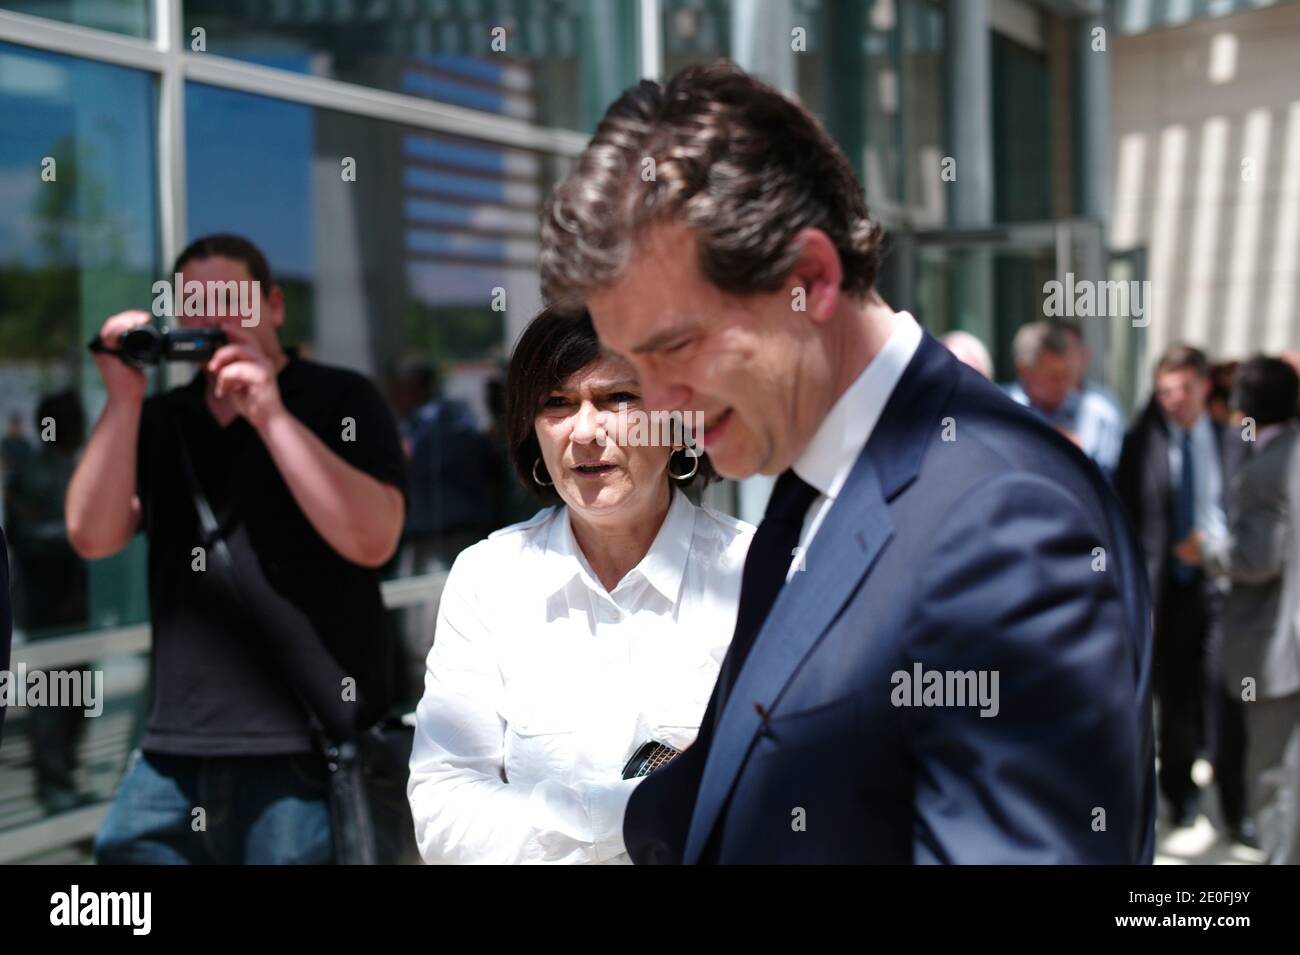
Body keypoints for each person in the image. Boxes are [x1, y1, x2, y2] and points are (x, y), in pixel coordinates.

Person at [540, 61, 1154, 863]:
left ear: (812, 279)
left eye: (676, 347)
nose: (657, 408)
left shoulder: (1007, 520)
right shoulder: (810, 491)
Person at [66, 234, 408, 864]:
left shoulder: (340, 398)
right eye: (195, 303)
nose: (214, 318)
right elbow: (93, 535)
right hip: (173, 753)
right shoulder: (162, 416)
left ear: (274, 307)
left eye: (232, 299)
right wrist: (122, 399)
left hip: (306, 754)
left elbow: (374, 539)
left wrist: (272, 417)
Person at [407, 308, 753, 864]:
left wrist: (543, 822)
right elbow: (444, 812)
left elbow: (796, 799)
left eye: (618, 398)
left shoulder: (760, 575)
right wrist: (636, 813)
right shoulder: (488, 578)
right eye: (557, 404)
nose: (586, 432)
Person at [1116, 344, 1251, 842]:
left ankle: (1234, 804)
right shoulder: (1141, 444)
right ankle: (1180, 794)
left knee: (1226, 694)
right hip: (1169, 594)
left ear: (1204, 386)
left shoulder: (1233, 440)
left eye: (1182, 388)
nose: (1172, 399)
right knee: (1174, 700)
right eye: (1164, 390)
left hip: (1225, 589)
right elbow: (1126, 521)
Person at [1182, 356, 1300, 862]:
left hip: (1276, 646)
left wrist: (1203, 551)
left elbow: (1257, 557)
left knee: (1272, 778)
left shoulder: (1266, 469)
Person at [1004, 321, 1121, 479]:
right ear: (1024, 370)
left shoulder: (1099, 414)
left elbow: (1104, 485)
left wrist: (1079, 458)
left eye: (1066, 375)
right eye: (1053, 377)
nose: (1062, 384)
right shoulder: (1000, 409)